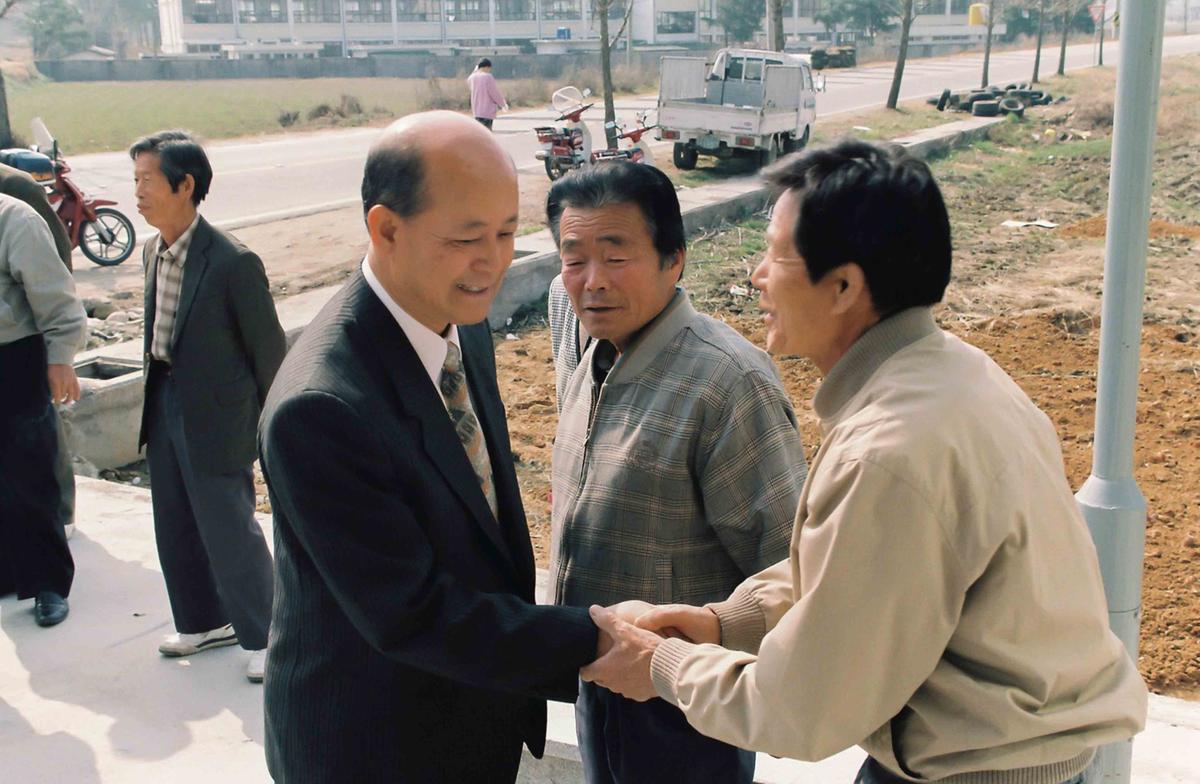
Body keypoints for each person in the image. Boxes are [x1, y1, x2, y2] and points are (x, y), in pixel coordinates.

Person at [580, 140, 1149, 784]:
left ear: (845, 286)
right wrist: (724, 623)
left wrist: (661, 666)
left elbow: (801, 710)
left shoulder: (890, 451)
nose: (757, 276)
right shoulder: (956, 375)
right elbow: (866, 571)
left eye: (775, 254)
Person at [258, 111, 603, 784]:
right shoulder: (322, 408)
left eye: (507, 233)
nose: (493, 261)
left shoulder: (456, 320)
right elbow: (412, 612)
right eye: (467, 238)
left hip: (471, 712)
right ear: (386, 229)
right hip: (376, 745)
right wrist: (601, 643)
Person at [546, 161, 808, 784]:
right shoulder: (591, 354)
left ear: (674, 261)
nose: (592, 281)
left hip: (686, 707)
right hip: (599, 681)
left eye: (616, 257)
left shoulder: (727, 383)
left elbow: (792, 564)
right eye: (574, 259)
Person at [131, 130, 285, 683]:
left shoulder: (231, 262)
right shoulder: (152, 251)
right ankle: (203, 621)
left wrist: (277, 427)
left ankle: (269, 634)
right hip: (164, 399)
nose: (137, 192)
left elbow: (268, 353)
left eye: (147, 180)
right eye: (135, 180)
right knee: (174, 519)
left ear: (185, 185)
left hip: (217, 413)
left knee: (227, 525)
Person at [0, 192, 86, 627]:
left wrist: (61, 358)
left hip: (13, 356)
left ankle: (49, 583)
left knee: (30, 472)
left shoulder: (14, 218)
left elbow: (54, 295)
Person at [2, 162, 78, 540]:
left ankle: (59, 514)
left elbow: (56, 269)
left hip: (18, 349)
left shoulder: (15, 189)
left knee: (36, 449)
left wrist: (59, 351)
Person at [467, 57, 507, 130]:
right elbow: (494, 93)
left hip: (476, 111)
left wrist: (475, 70)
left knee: (479, 132)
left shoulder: (472, 77)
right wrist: (502, 104)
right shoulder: (488, 77)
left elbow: (469, 81)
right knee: (487, 132)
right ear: (487, 67)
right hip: (487, 112)